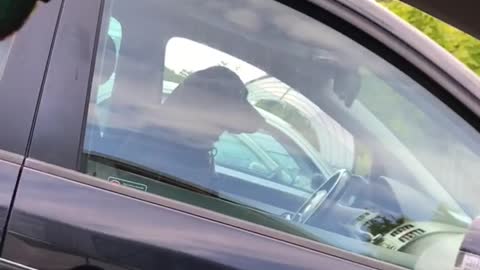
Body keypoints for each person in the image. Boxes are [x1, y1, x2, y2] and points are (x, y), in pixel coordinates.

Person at [139, 66, 266, 188]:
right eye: (239, 98)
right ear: (213, 103)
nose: (259, 119)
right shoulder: (172, 161)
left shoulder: (154, 144)